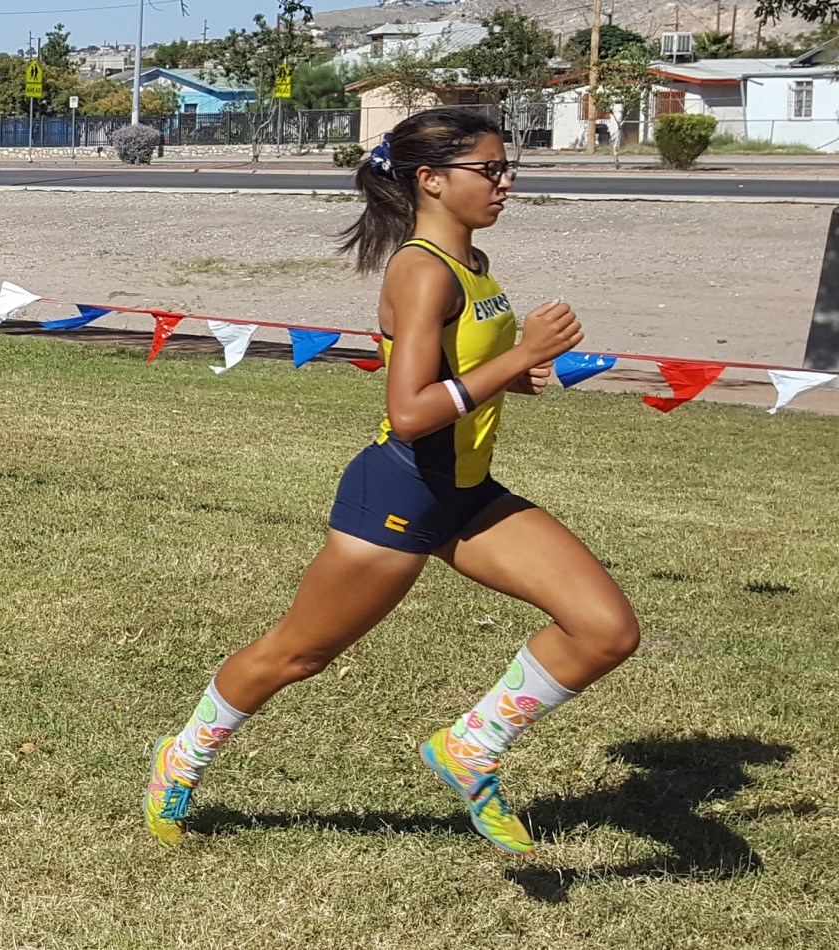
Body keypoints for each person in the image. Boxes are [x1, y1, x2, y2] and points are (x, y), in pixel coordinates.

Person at [144, 108, 640, 856]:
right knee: (298, 654)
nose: (506, 183)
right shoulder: (421, 271)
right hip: (401, 493)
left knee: (606, 630)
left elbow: (454, 373)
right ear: (430, 180)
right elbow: (408, 413)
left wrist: (515, 376)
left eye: (509, 169)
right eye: (491, 169)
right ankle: (180, 758)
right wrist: (517, 357)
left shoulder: (473, 264)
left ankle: (471, 746)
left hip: (468, 492)